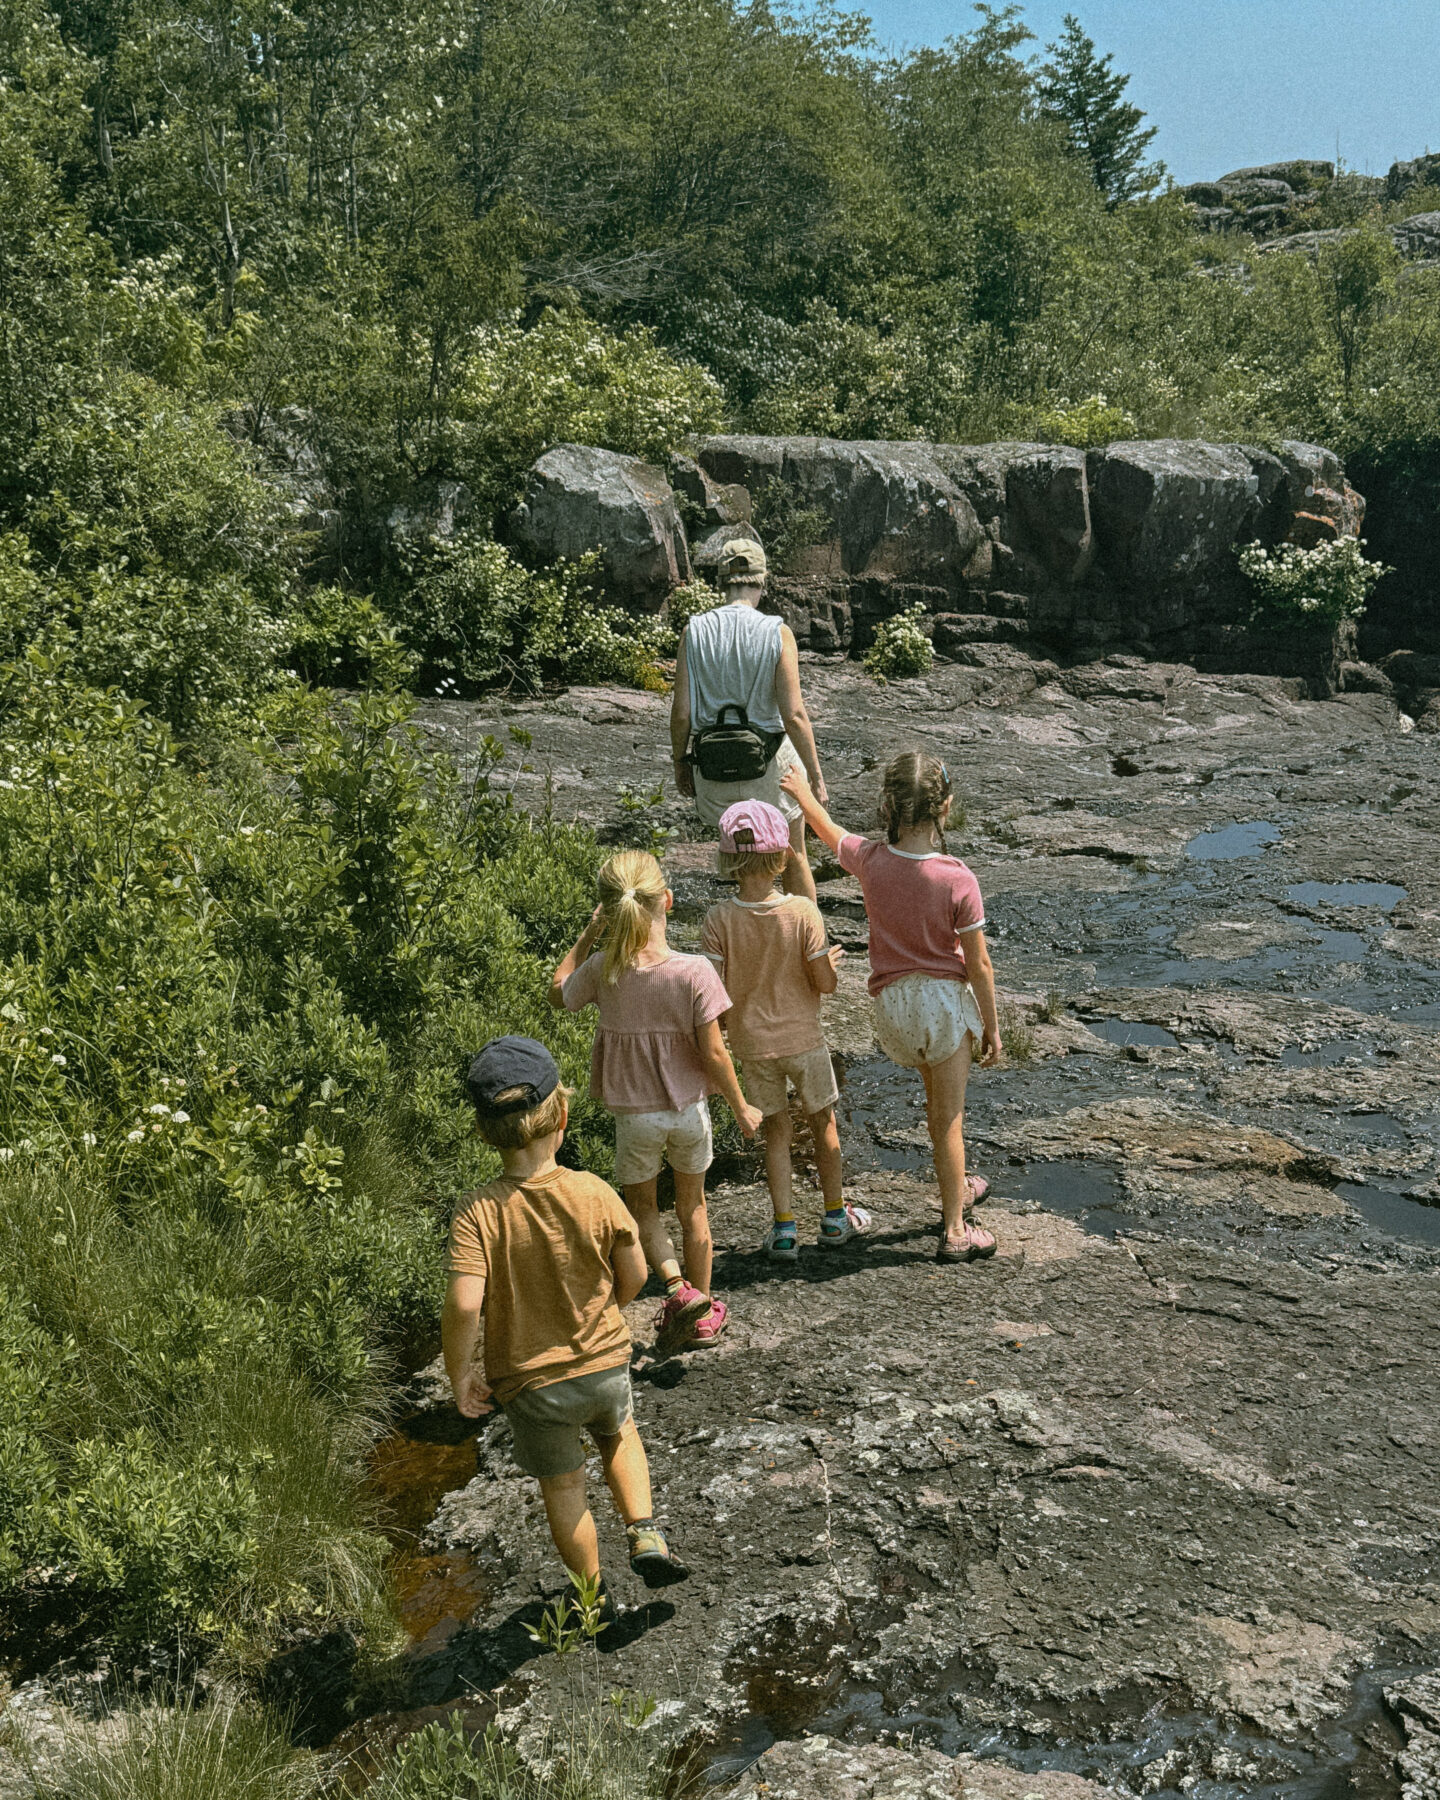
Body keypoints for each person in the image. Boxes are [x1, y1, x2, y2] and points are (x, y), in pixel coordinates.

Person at [442, 1036, 688, 1596]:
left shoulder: (476, 1212)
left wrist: (461, 1374)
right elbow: (635, 1273)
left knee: (564, 1487)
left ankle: (591, 1597)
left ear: (483, 1132)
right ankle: (645, 1534)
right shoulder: (594, 1191)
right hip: (602, 1362)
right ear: (564, 1116)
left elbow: (463, 1303)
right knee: (620, 1435)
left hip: (531, 1383)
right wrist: (611, 1309)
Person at [781, 752, 1002, 1264]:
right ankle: (954, 1229)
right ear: (945, 808)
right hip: (942, 1006)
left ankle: (959, 1181)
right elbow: (980, 965)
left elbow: (829, 830)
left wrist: (801, 792)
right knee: (949, 1119)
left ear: (886, 805)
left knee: (933, 1102)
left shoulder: (872, 860)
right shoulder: (957, 878)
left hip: (892, 1009)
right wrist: (991, 1027)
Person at [549, 849, 763, 1349]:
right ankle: (703, 1310)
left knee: (643, 1208)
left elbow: (557, 993)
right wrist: (741, 1106)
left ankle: (671, 1284)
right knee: (694, 1208)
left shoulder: (604, 968)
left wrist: (589, 935)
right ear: (667, 900)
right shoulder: (694, 972)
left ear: (609, 910)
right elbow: (714, 1053)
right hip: (689, 1111)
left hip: (635, 1119)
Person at [699, 799, 869, 1260]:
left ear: (729, 858)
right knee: (823, 1123)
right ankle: (835, 1217)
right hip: (804, 1040)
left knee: (776, 1130)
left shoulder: (717, 920)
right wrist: (828, 964)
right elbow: (824, 985)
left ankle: (785, 1229)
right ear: (783, 857)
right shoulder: (803, 913)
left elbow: (712, 992)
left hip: (752, 1044)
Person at [670, 539, 826, 903]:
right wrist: (816, 779)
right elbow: (795, 715)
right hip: (771, 773)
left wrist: (680, 765)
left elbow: (681, 716)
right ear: (762, 581)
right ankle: (807, 946)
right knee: (793, 854)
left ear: (722, 580)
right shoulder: (777, 632)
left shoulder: (694, 631)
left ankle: (746, 939)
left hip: (715, 778)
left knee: (743, 862)